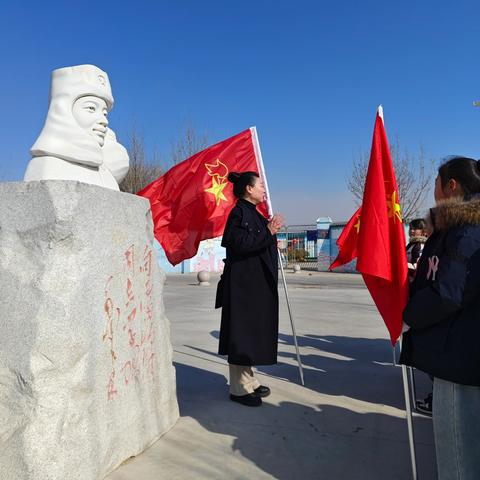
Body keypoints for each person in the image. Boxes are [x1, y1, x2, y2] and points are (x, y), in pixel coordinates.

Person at [400, 156, 480, 479]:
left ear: (452, 186)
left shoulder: (468, 233)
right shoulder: (454, 228)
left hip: (460, 360)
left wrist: (408, 315)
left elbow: (449, 293)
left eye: (436, 182)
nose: (433, 189)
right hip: (456, 353)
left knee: (457, 456)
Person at [215, 171, 284, 407]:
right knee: (241, 336)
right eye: (260, 185)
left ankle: (249, 381)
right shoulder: (238, 213)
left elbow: (259, 242)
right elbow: (242, 244)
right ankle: (239, 389)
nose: (264, 189)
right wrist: (269, 231)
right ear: (249, 189)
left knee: (250, 335)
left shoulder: (252, 213)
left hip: (254, 287)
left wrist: (268, 229)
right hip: (242, 288)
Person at [406, 218, 428, 282]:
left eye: (415, 229)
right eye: (410, 228)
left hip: (414, 282)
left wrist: (401, 264)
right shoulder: (411, 244)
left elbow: (416, 266)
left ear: (424, 232)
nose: (411, 231)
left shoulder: (421, 245)